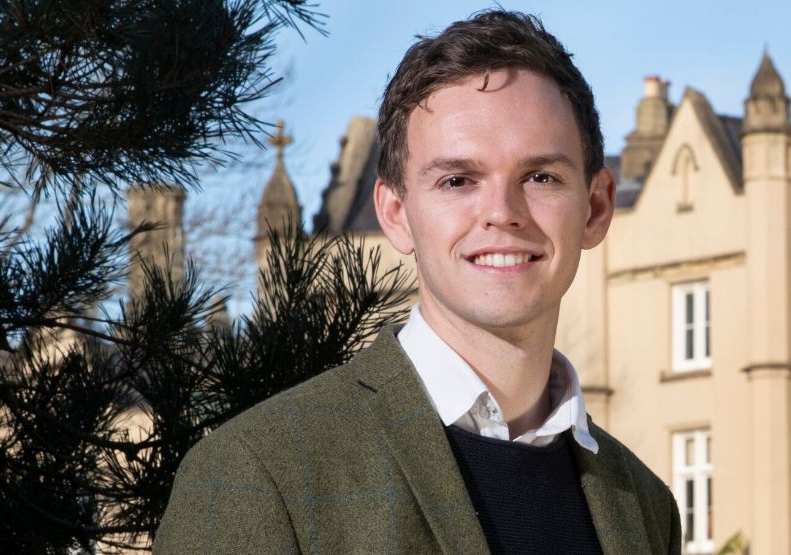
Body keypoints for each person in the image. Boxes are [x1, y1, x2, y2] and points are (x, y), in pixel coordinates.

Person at [155, 10, 680, 554]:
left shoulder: (643, 505)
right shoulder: (259, 475)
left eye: (540, 177)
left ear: (595, 208)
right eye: (458, 180)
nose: (502, 213)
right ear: (397, 213)